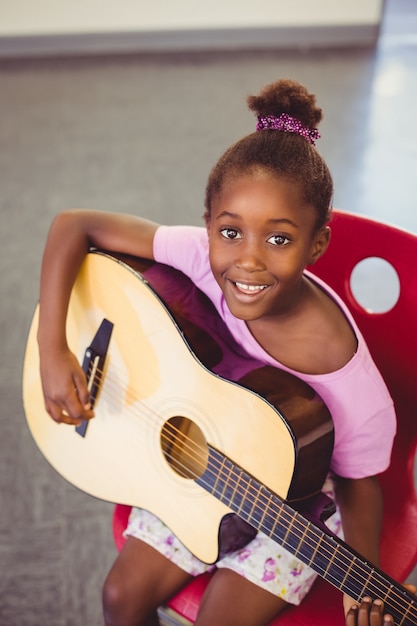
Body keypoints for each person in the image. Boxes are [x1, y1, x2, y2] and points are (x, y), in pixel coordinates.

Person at [37, 79, 401, 626]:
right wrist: (53, 349)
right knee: (119, 598)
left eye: (278, 239)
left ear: (316, 243)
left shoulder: (351, 384)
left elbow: (357, 482)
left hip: (297, 499)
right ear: (208, 224)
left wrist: (364, 578)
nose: (247, 262)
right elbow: (75, 225)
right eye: (230, 232)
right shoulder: (205, 258)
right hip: (195, 457)